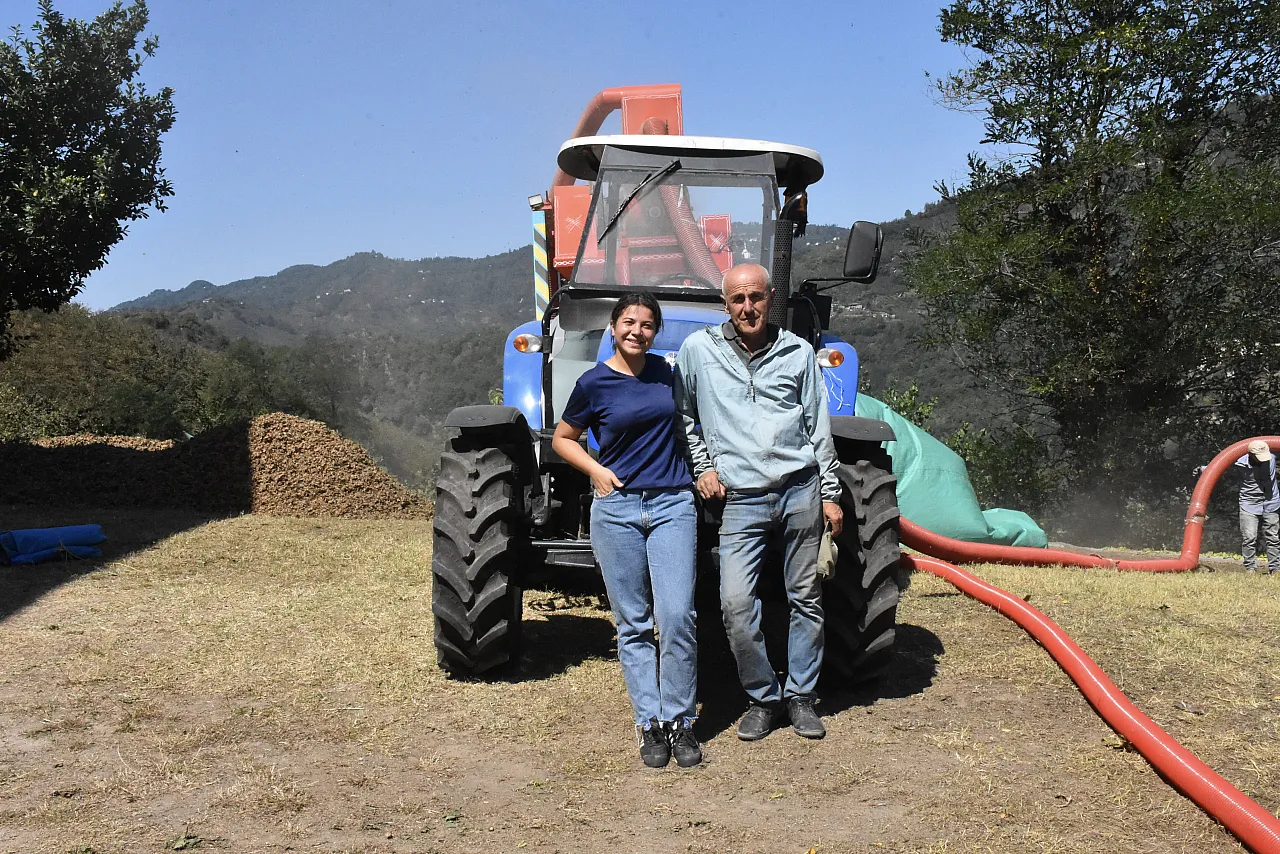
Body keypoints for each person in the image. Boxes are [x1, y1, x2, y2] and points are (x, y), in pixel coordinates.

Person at [673, 262, 842, 741]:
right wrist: (703, 468)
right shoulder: (698, 351)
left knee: (806, 598)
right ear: (725, 304)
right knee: (735, 603)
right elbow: (684, 417)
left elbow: (817, 427)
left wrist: (830, 493)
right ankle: (763, 696)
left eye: (756, 297)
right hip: (741, 498)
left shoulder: (798, 352)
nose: (748, 308)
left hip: (800, 489)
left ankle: (802, 696)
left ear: (771, 299)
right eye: (738, 299)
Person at [551, 292, 702, 769]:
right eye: (629, 322)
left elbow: (695, 423)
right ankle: (649, 723)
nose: (638, 331)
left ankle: (680, 720)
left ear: (655, 333)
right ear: (614, 328)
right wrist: (596, 471)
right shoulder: (593, 383)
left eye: (647, 324)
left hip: (673, 503)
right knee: (634, 623)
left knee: (677, 616)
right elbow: (563, 439)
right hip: (616, 510)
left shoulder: (668, 375)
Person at [1232, 440, 1279, 574]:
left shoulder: (1271, 457)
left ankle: (1275, 568)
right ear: (1251, 455)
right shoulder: (1240, 464)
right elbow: (1221, 467)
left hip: (1271, 502)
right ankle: (1250, 568)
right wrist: (1204, 469)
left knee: (1273, 537)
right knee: (1249, 537)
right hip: (1249, 503)